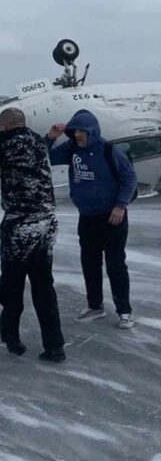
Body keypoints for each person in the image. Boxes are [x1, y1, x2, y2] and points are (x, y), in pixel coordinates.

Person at [46, 110, 138, 329]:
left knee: (115, 264)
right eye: (74, 131)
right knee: (90, 263)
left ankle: (124, 311)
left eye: (81, 131)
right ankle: (95, 305)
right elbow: (46, 157)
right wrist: (50, 137)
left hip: (112, 217)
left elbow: (129, 178)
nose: (77, 135)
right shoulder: (72, 149)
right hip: (87, 216)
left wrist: (120, 205)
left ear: (92, 131)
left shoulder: (108, 150)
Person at [0, 108, 66, 362]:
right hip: (47, 224)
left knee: (12, 286)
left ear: (5, 126)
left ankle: (11, 338)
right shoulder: (37, 142)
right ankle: (55, 346)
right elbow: (39, 147)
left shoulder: (5, 144)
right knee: (43, 286)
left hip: (20, 226)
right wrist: (49, 137)